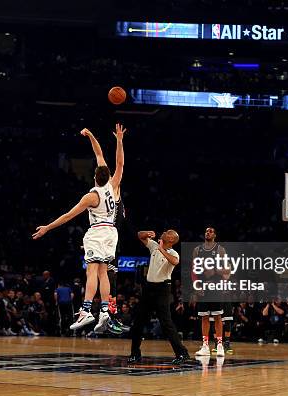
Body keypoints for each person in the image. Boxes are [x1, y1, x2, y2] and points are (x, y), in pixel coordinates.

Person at [33, 124, 125, 334]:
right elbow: (115, 160)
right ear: (107, 175)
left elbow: (67, 216)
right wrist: (118, 140)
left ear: (95, 177)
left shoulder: (91, 196)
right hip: (112, 233)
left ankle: (86, 310)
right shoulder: (114, 185)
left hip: (98, 231)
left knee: (91, 270)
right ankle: (103, 311)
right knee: (103, 272)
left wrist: (47, 227)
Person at [128, 230, 190, 365]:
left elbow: (174, 262)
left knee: (166, 323)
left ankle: (182, 353)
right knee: (138, 322)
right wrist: (147, 233)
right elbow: (139, 235)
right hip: (148, 288)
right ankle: (135, 353)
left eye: (168, 233)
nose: (164, 232)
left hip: (162, 289)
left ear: (172, 240)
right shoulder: (154, 246)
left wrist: (161, 249)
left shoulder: (173, 253)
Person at [193, 227, 228, 358]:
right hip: (202, 287)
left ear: (215, 235)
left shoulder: (220, 249)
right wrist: (196, 286)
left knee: (218, 316)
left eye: (211, 231)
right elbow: (194, 270)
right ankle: (205, 346)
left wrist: (214, 271)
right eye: (206, 231)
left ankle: (219, 345)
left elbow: (226, 270)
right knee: (204, 317)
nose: (208, 232)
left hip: (215, 286)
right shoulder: (197, 250)